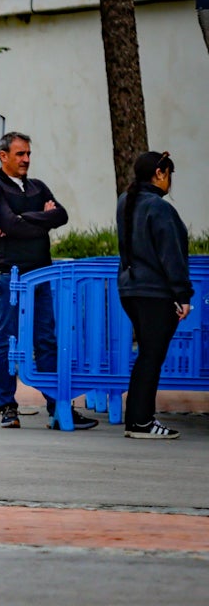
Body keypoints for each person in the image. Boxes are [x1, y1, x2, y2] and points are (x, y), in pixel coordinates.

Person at [0, 132, 97, 430]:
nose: (26, 159)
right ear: (3, 156)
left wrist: (22, 219)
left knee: (47, 340)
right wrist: (39, 219)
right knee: (6, 341)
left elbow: (61, 215)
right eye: (20, 154)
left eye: (28, 154)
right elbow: (8, 223)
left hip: (41, 275)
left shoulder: (39, 186)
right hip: (8, 276)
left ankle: (57, 409)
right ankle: (8, 407)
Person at [116, 151, 192, 440]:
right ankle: (141, 421)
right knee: (151, 356)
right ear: (160, 174)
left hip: (130, 288)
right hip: (155, 292)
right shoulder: (160, 208)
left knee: (147, 355)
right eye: (169, 174)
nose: (170, 181)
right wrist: (183, 295)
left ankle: (137, 420)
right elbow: (171, 255)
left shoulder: (126, 201)